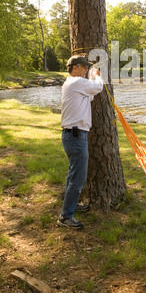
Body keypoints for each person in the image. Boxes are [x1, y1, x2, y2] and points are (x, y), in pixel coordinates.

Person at [57, 55, 104, 230]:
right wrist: (97, 75)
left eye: (87, 67)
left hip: (74, 136)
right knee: (78, 178)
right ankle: (65, 216)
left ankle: (71, 206)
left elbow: (90, 95)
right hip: (75, 137)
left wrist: (91, 76)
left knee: (73, 176)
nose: (86, 70)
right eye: (84, 67)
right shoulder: (75, 82)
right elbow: (98, 87)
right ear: (75, 68)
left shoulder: (74, 85)